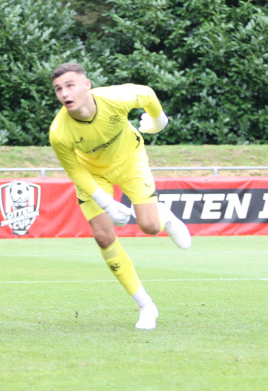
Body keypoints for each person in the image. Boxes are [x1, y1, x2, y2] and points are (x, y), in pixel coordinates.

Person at [48, 63, 191, 330]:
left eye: (70, 85)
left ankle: (166, 217)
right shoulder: (59, 132)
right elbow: (76, 172)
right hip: (92, 175)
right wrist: (106, 202)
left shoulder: (114, 98)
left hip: (130, 161)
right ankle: (147, 306)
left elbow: (147, 94)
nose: (64, 93)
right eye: (58, 89)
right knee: (103, 237)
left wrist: (159, 122)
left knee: (149, 226)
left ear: (87, 85)